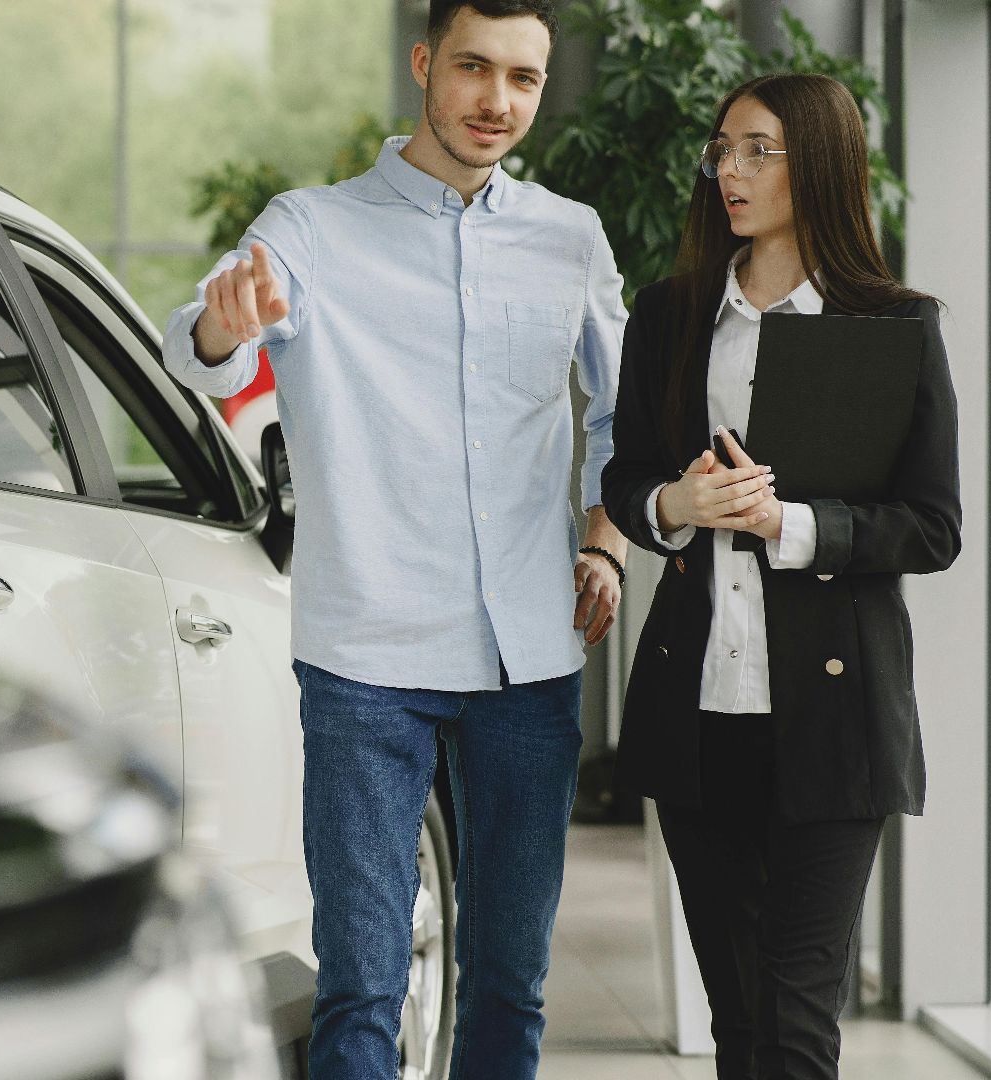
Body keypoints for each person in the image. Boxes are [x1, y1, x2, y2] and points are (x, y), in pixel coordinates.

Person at [161, 2, 629, 1075]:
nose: (496, 101)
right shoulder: (311, 227)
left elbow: (625, 414)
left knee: (509, 984)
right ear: (424, 63)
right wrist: (226, 323)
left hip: (529, 653)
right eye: (473, 68)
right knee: (364, 985)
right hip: (367, 656)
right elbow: (201, 351)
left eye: (522, 78)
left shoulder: (570, 237)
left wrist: (605, 541)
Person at [601, 73, 961, 1080]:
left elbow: (933, 526)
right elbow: (626, 479)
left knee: (798, 1021)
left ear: (823, 162)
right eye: (723, 149)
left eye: (759, 150)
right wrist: (679, 502)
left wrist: (787, 524)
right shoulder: (669, 315)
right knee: (740, 1020)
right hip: (697, 709)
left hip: (836, 716)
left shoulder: (893, 324)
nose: (731, 169)